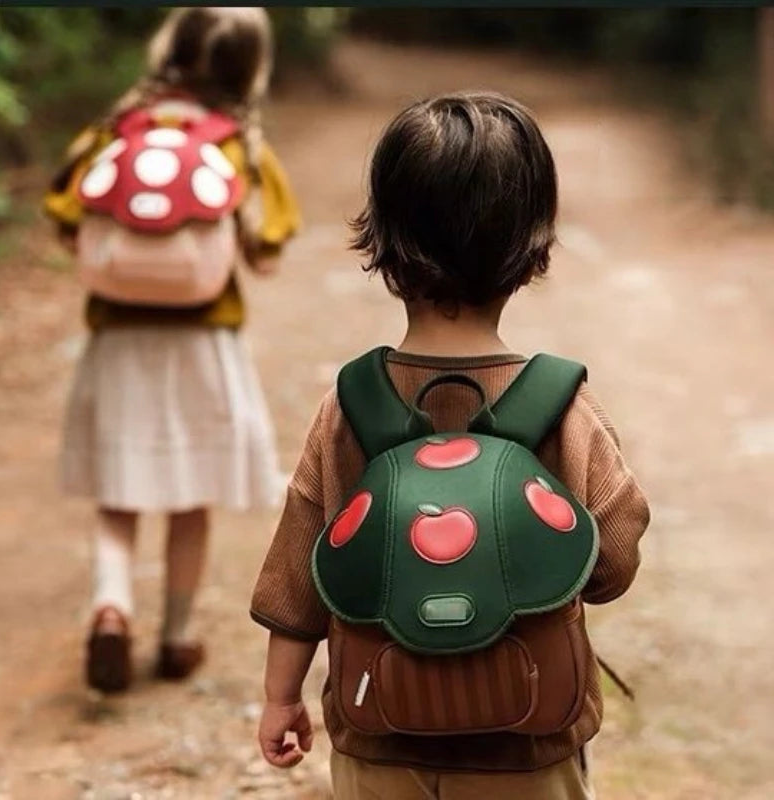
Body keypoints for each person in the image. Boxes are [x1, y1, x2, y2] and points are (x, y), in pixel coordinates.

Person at [250, 92, 650, 798]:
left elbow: (301, 569)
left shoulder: (350, 405)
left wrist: (281, 696)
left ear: (385, 244)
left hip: (379, 730)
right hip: (528, 737)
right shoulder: (562, 405)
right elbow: (611, 562)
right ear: (531, 247)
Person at [44, 7, 300, 693]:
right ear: (250, 68)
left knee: (118, 494)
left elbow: (67, 220)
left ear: (169, 52)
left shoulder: (115, 131)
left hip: (118, 341)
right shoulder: (239, 147)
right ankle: (178, 637)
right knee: (190, 498)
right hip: (202, 341)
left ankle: (111, 607)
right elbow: (268, 253)